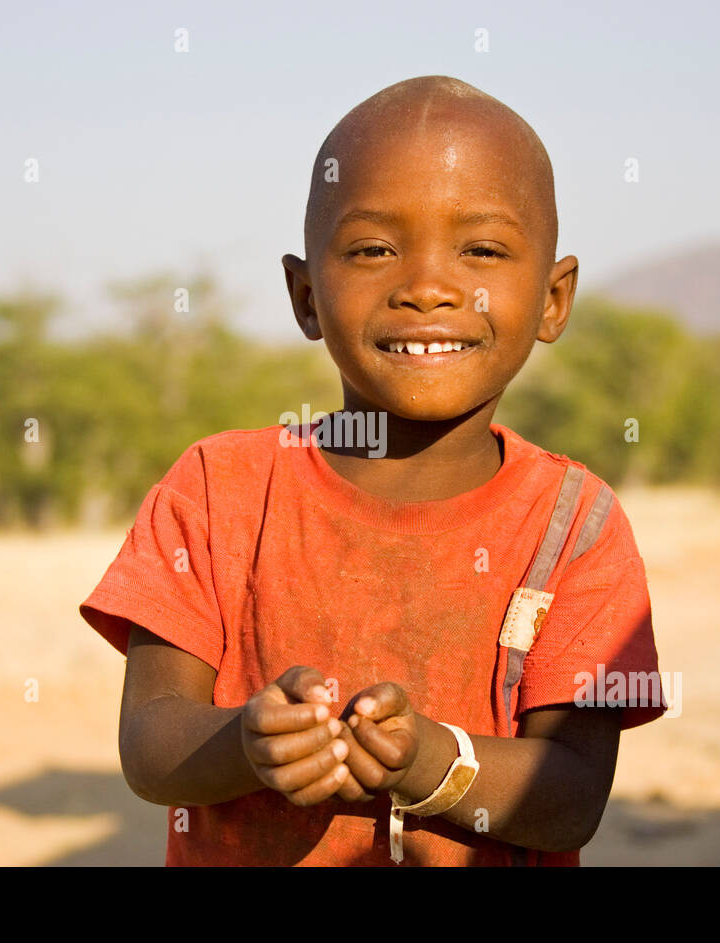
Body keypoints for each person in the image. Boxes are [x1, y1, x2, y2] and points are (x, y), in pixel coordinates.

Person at [80, 75, 666, 866]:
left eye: (482, 250)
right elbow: (151, 744)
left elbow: (570, 802)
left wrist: (430, 762)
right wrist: (246, 742)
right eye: (373, 250)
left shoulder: (576, 526)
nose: (426, 287)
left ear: (554, 300)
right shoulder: (219, 490)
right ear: (306, 294)